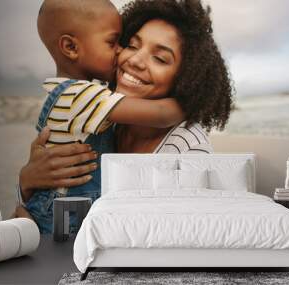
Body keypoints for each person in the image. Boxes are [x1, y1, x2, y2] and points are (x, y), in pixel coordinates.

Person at [15, 0, 233, 232]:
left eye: (159, 58)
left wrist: (196, 97)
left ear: (187, 77)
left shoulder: (188, 151)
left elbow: (187, 236)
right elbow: (41, 201)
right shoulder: (101, 112)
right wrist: (27, 181)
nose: (134, 60)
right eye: (130, 45)